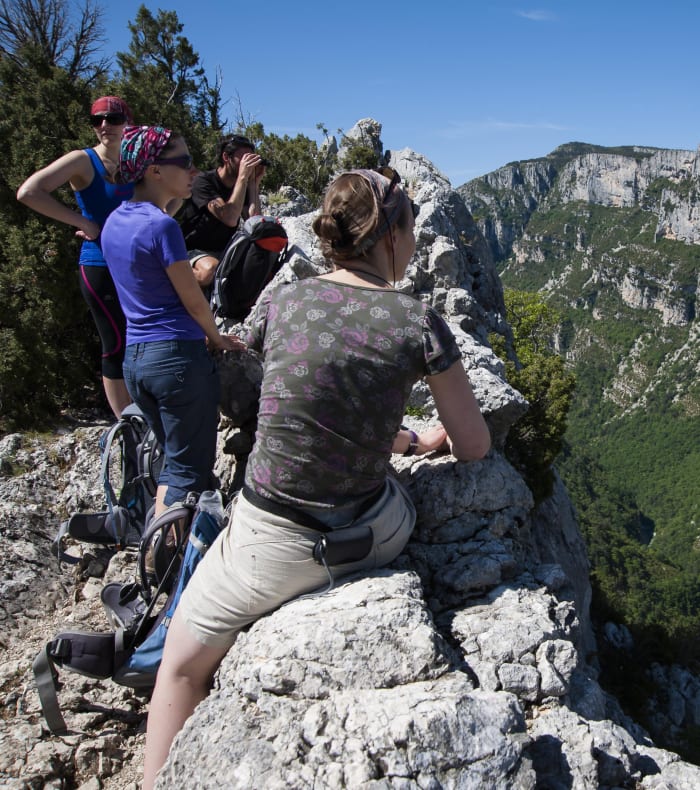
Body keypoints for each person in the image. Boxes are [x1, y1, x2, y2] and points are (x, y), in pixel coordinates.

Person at [142, 167, 491, 788]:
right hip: (369, 534)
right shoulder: (418, 322)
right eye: (409, 229)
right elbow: (473, 446)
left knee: (179, 668)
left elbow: (285, 376)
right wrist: (419, 440)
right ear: (389, 236)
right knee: (396, 497)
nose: (412, 243)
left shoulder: (283, 300)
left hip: (266, 541)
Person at [100, 126, 244, 516]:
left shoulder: (115, 222)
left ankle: (165, 552)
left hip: (136, 362)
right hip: (178, 360)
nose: (193, 171)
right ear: (153, 171)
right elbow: (194, 300)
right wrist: (216, 339)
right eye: (183, 162)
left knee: (175, 463)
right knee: (185, 475)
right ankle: (160, 565)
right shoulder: (162, 228)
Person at [16, 96, 135, 418]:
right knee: (115, 342)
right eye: (97, 120)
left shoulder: (136, 161)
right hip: (100, 264)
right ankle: (126, 422)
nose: (104, 126)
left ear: (128, 120)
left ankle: (145, 409)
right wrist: (83, 222)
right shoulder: (82, 161)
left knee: (143, 337)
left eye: (112, 118)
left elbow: (170, 195)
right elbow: (29, 192)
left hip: (137, 265)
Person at [177, 134, 265, 287]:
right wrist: (243, 178)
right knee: (210, 270)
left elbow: (254, 220)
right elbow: (230, 218)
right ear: (226, 157)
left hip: (223, 250)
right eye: (244, 158)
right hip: (191, 249)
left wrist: (253, 183)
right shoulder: (203, 181)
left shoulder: (241, 187)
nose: (247, 163)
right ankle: (168, 276)